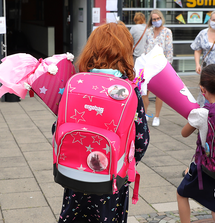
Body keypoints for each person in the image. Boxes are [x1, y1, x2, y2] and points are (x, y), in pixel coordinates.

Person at [56, 22, 150, 223]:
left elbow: (57, 128)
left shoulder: (76, 82)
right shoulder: (127, 90)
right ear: (125, 51)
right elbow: (141, 140)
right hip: (110, 178)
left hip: (73, 172)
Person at [177, 64, 215, 223]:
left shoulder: (201, 113)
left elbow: (184, 133)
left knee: (182, 194)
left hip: (204, 167)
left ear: (202, 89)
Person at [143, 9, 173, 127]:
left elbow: (169, 50)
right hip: (148, 65)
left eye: (158, 19)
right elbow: (145, 48)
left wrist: (168, 66)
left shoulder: (167, 32)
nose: (156, 21)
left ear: (161, 19)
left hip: (160, 66)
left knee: (159, 93)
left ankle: (156, 116)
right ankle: (144, 113)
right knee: (144, 91)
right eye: (154, 19)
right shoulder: (148, 31)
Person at [191, 11, 215, 75]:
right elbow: (197, 50)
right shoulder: (203, 33)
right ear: (210, 20)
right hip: (207, 68)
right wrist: (197, 64)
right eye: (214, 20)